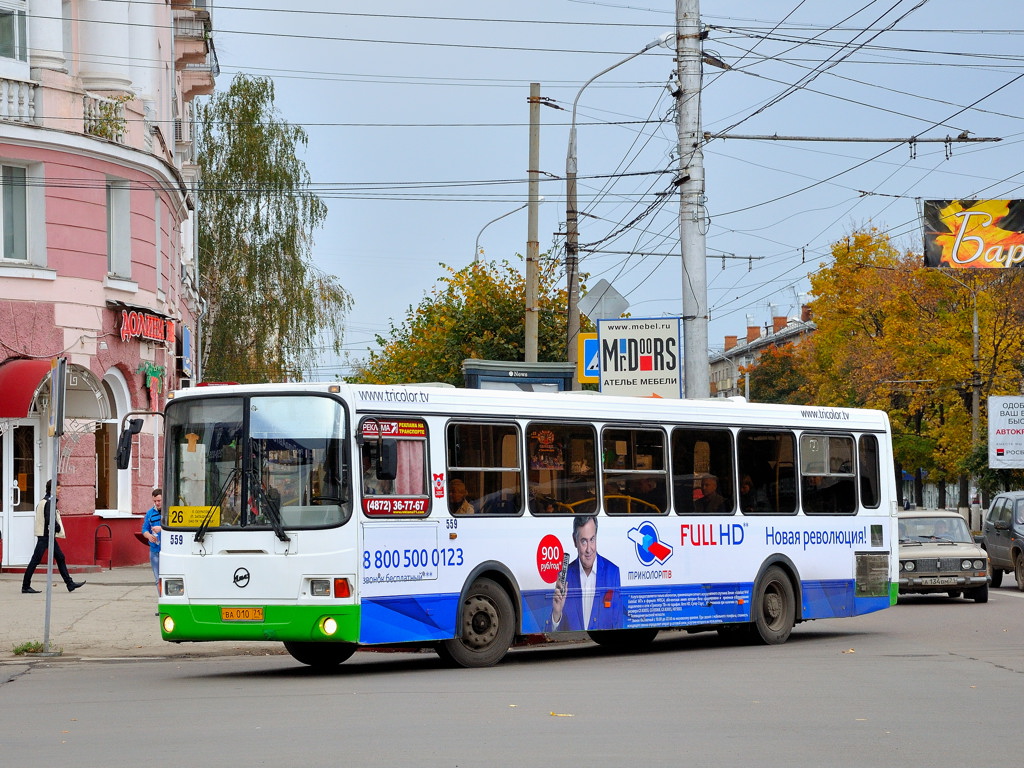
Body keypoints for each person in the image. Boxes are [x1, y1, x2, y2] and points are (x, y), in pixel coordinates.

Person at [546, 515, 621, 631]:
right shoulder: (564, 578)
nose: (589, 549)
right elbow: (551, 635)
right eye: (583, 541)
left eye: (592, 539)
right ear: (575, 541)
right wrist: (556, 614)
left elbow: (617, 622)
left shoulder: (613, 573)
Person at [22, 480, 85, 594]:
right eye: (58, 488)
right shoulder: (49, 502)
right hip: (45, 536)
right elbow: (49, 517)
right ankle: (25, 586)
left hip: (46, 535)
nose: (60, 491)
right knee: (35, 560)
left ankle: (69, 584)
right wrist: (57, 527)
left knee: (60, 557)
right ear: (52, 489)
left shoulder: (44, 501)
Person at [141, 488, 163, 588]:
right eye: (155, 501)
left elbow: (176, 527)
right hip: (154, 550)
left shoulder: (170, 511)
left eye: (159, 501)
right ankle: (161, 600)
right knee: (158, 579)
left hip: (167, 550)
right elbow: (144, 529)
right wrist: (148, 535)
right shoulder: (150, 513)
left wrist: (162, 528)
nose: (157, 503)